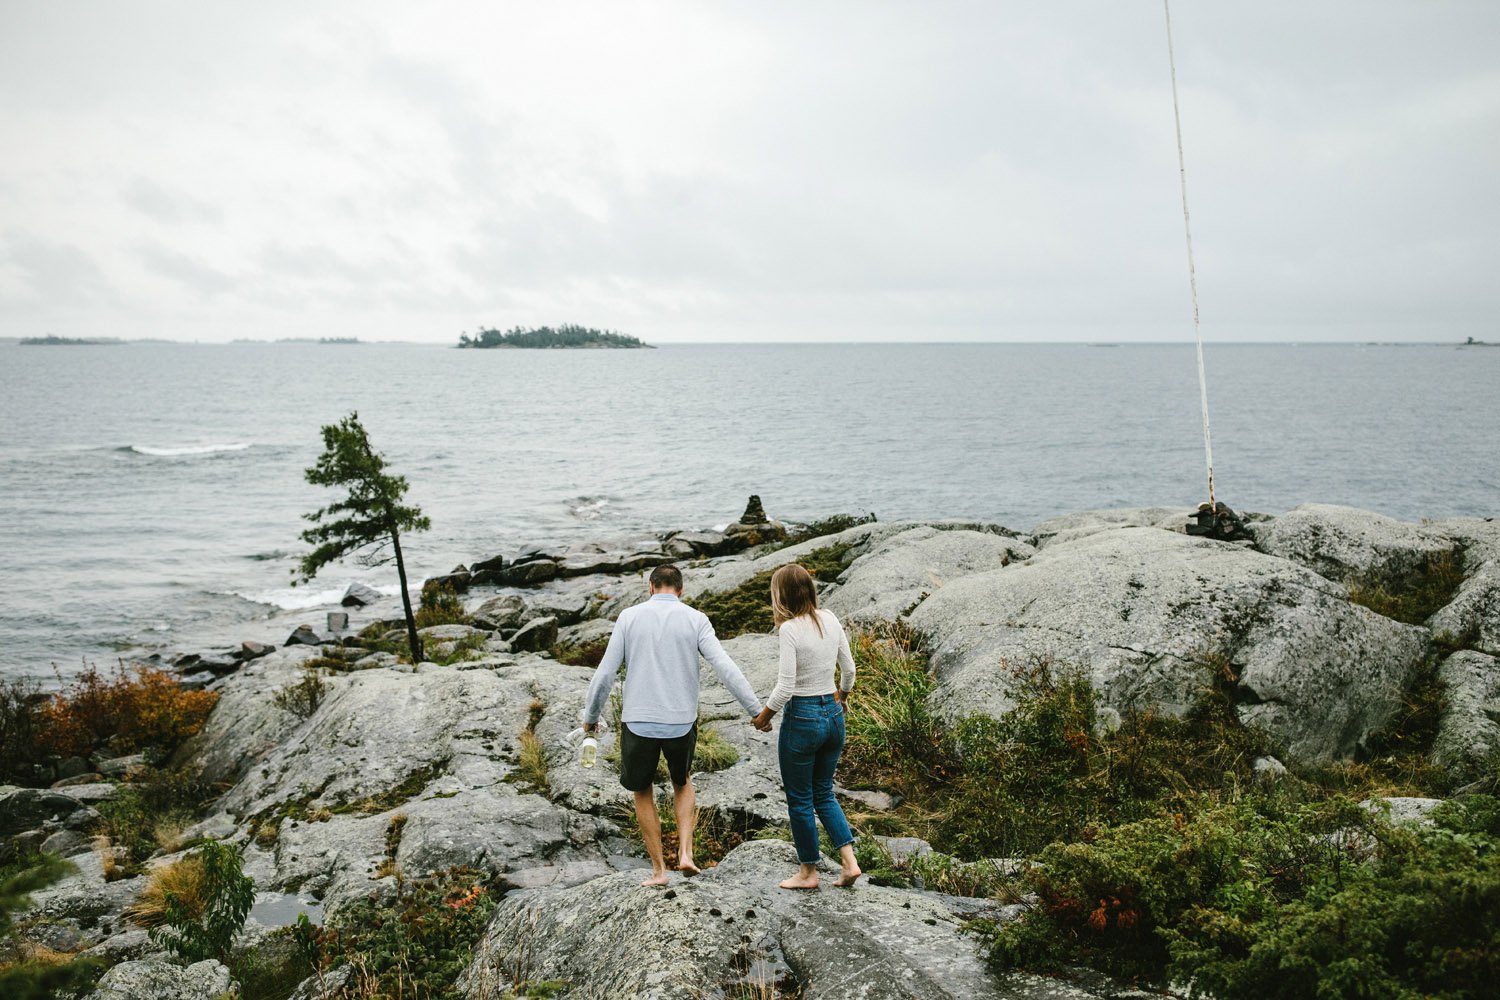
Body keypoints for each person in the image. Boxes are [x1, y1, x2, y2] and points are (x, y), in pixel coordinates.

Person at [583, 563, 765, 886]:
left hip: (638, 722)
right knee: (682, 782)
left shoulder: (629, 618)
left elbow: (605, 675)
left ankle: (658, 871)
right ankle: (686, 854)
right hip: (681, 721)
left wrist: (591, 718)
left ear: (651, 588)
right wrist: (755, 709)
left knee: (642, 791)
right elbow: (724, 665)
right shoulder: (696, 619)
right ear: (680, 591)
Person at [751, 564, 862, 889]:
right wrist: (841, 697)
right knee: (824, 793)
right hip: (833, 714)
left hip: (802, 718)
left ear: (781, 595)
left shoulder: (789, 630)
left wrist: (763, 717)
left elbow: (785, 688)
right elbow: (850, 670)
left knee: (800, 799)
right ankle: (850, 863)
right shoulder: (829, 618)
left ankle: (808, 873)